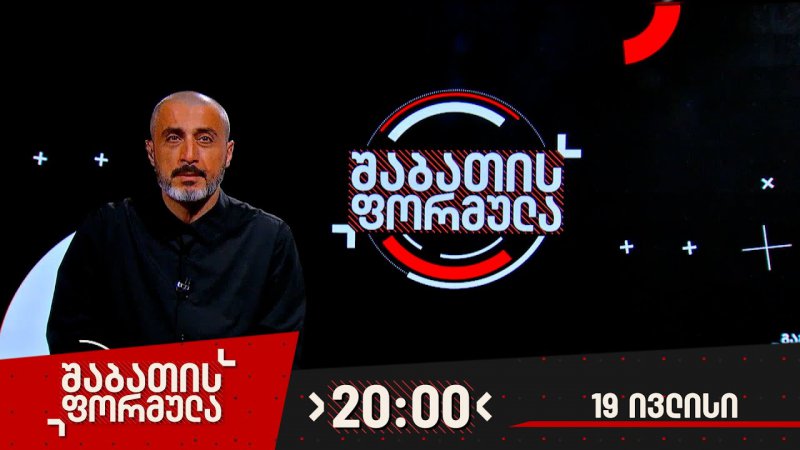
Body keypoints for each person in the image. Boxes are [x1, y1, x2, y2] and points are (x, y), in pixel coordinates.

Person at [46, 91, 306, 357]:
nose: (189, 156)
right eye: (173, 138)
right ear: (151, 152)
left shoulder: (269, 239)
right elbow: (69, 341)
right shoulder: (106, 231)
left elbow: (280, 358)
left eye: (205, 139)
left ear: (228, 153)